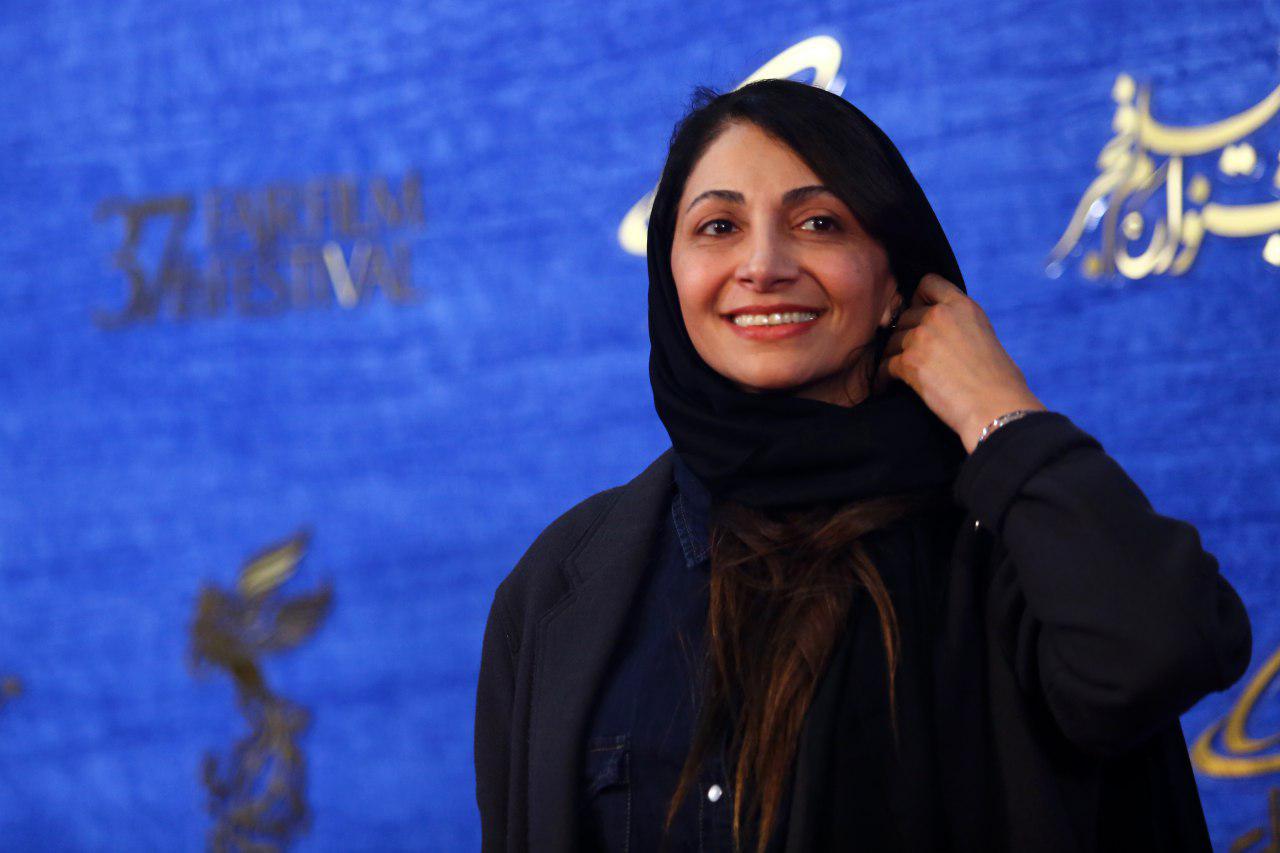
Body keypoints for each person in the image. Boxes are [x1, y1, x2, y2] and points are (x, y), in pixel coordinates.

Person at [473, 78, 1253, 852]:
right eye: (718, 226)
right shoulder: (560, 584)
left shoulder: (1007, 540)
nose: (763, 264)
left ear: (893, 283)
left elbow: (1165, 647)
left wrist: (996, 409)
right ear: (668, 274)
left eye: (818, 223)